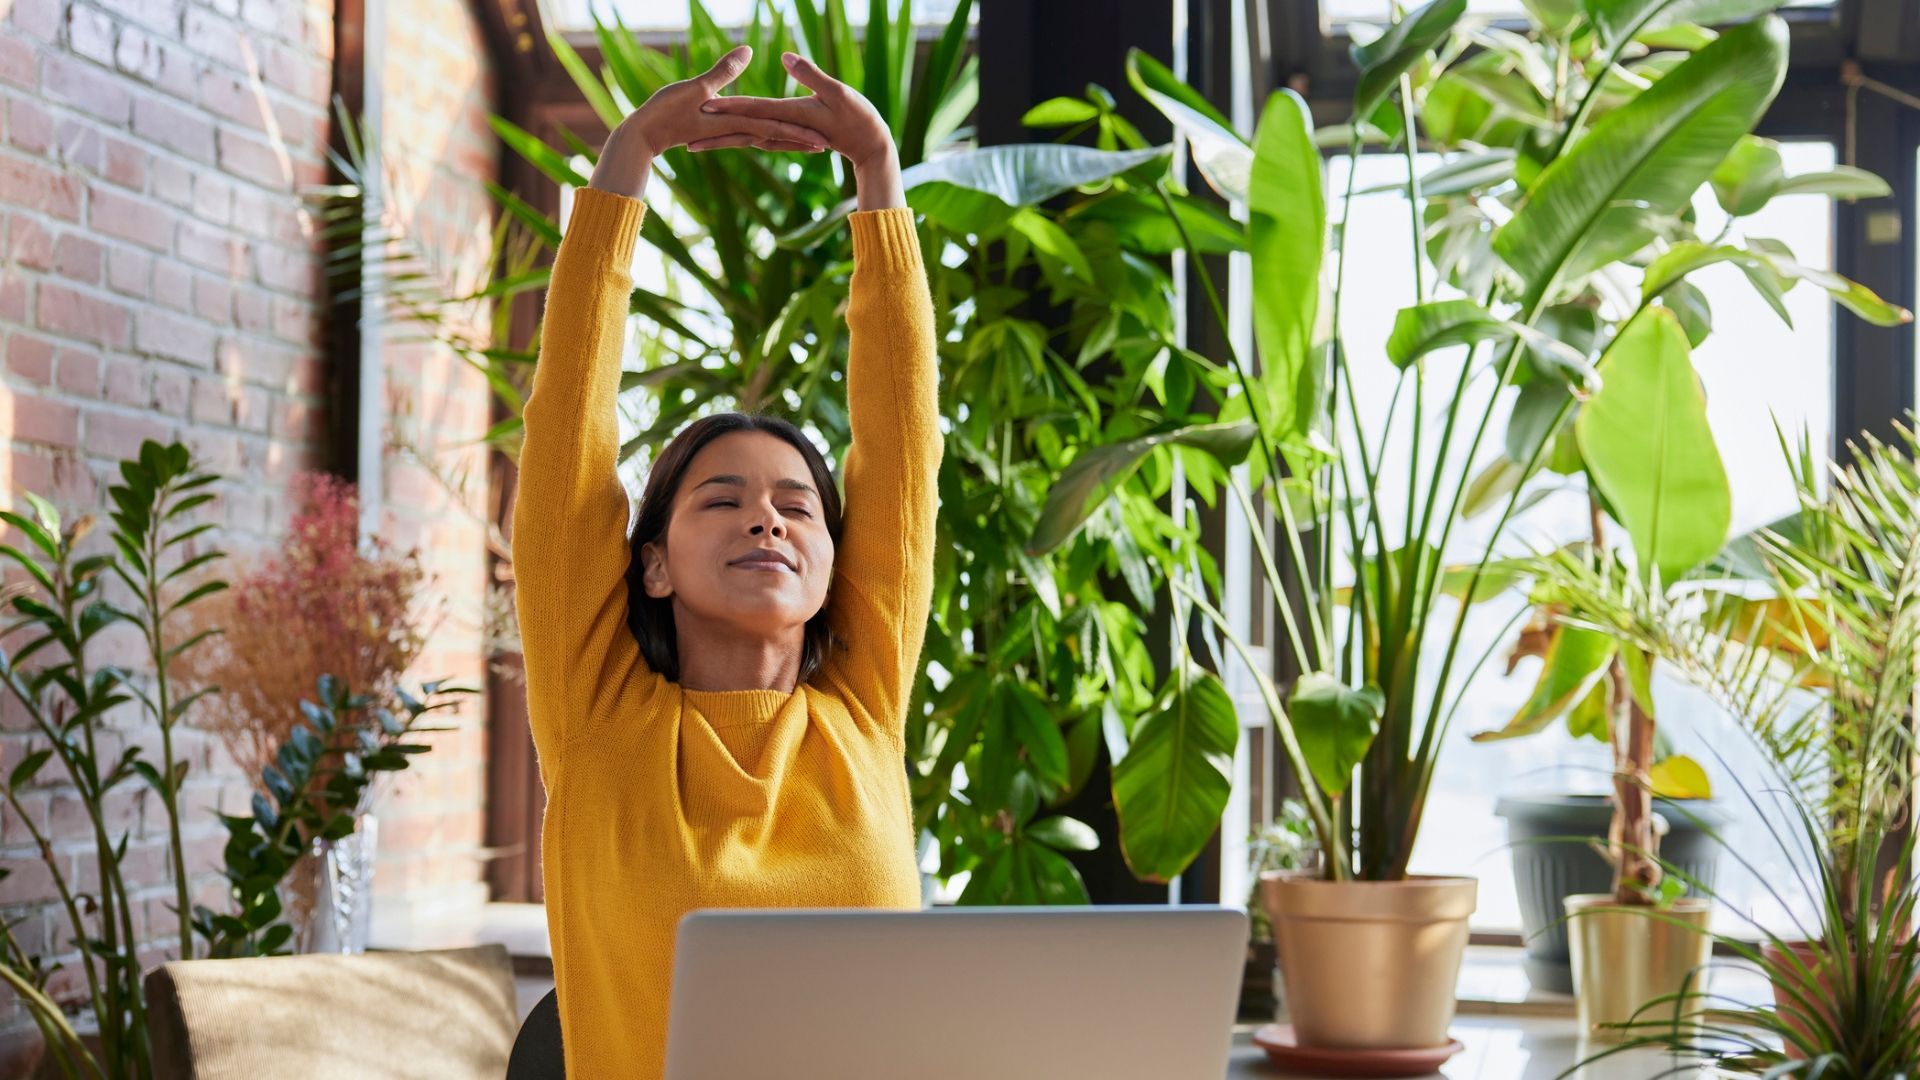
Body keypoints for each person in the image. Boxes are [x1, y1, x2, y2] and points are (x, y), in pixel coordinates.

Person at [511, 43, 939, 1078]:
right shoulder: (597, 715)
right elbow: (569, 430)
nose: (769, 522)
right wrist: (624, 169)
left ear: (840, 562)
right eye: (723, 499)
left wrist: (880, 181)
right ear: (649, 564)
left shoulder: (863, 710)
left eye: (798, 506)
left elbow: (901, 445)